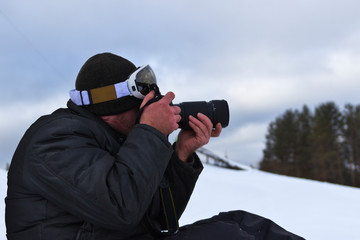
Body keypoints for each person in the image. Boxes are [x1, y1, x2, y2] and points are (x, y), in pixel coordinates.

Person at [5, 52, 304, 240]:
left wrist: (181, 154)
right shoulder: (54, 141)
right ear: (114, 109)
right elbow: (119, 207)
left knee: (242, 226)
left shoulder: (115, 139)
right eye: (142, 106)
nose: (148, 111)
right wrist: (148, 131)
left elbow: (156, 219)